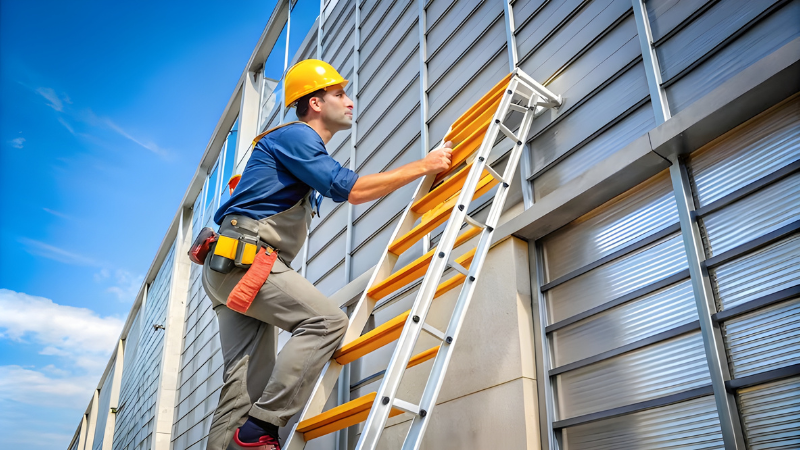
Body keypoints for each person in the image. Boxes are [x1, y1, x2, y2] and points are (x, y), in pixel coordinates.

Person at [201, 59, 453, 450]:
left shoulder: (293, 149)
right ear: (314, 103)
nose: (349, 101)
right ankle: (262, 429)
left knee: (245, 386)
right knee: (326, 323)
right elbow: (349, 189)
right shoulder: (298, 136)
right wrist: (426, 164)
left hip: (228, 265)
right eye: (339, 94)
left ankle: (241, 436)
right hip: (247, 259)